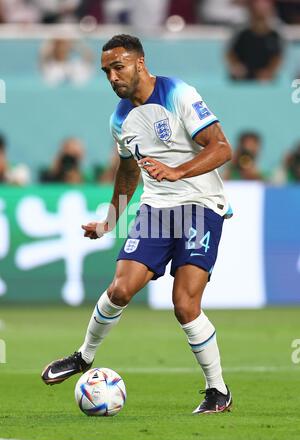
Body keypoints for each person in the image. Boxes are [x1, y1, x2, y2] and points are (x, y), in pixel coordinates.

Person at [41, 34, 233, 414]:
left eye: (118, 67)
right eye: (106, 71)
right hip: (156, 209)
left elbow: (222, 147)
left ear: (140, 64)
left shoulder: (178, 92)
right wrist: (109, 222)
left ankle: (217, 390)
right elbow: (127, 172)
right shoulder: (120, 119)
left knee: (184, 304)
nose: (112, 77)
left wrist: (177, 172)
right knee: (120, 289)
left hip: (199, 205)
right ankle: (84, 356)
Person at [227, 0, 283, 81]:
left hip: (264, 79)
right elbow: (231, 53)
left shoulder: (274, 35)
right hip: (243, 77)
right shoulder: (243, 34)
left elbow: (277, 57)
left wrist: (269, 71)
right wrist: (236, 67)